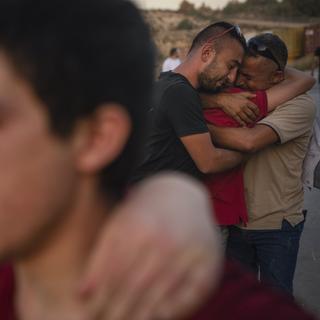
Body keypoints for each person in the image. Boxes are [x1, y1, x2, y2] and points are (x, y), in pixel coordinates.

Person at [207, 33, 316, 296]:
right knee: (236, 305)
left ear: (278, 77)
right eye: (240, 72)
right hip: (236, 223)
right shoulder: (232, 96)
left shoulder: (300, 105)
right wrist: (220, 99)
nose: (239, 81)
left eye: (249, 77)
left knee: (275, 307)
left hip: (276, 226)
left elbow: (249, 141)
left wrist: (192, 129)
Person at [132, 22, 247, 184]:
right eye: (230, 66)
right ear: (207, 53)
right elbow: (209, 162)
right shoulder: (181, 93)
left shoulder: (166, 82)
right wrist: (245, 155)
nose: (232, 78)